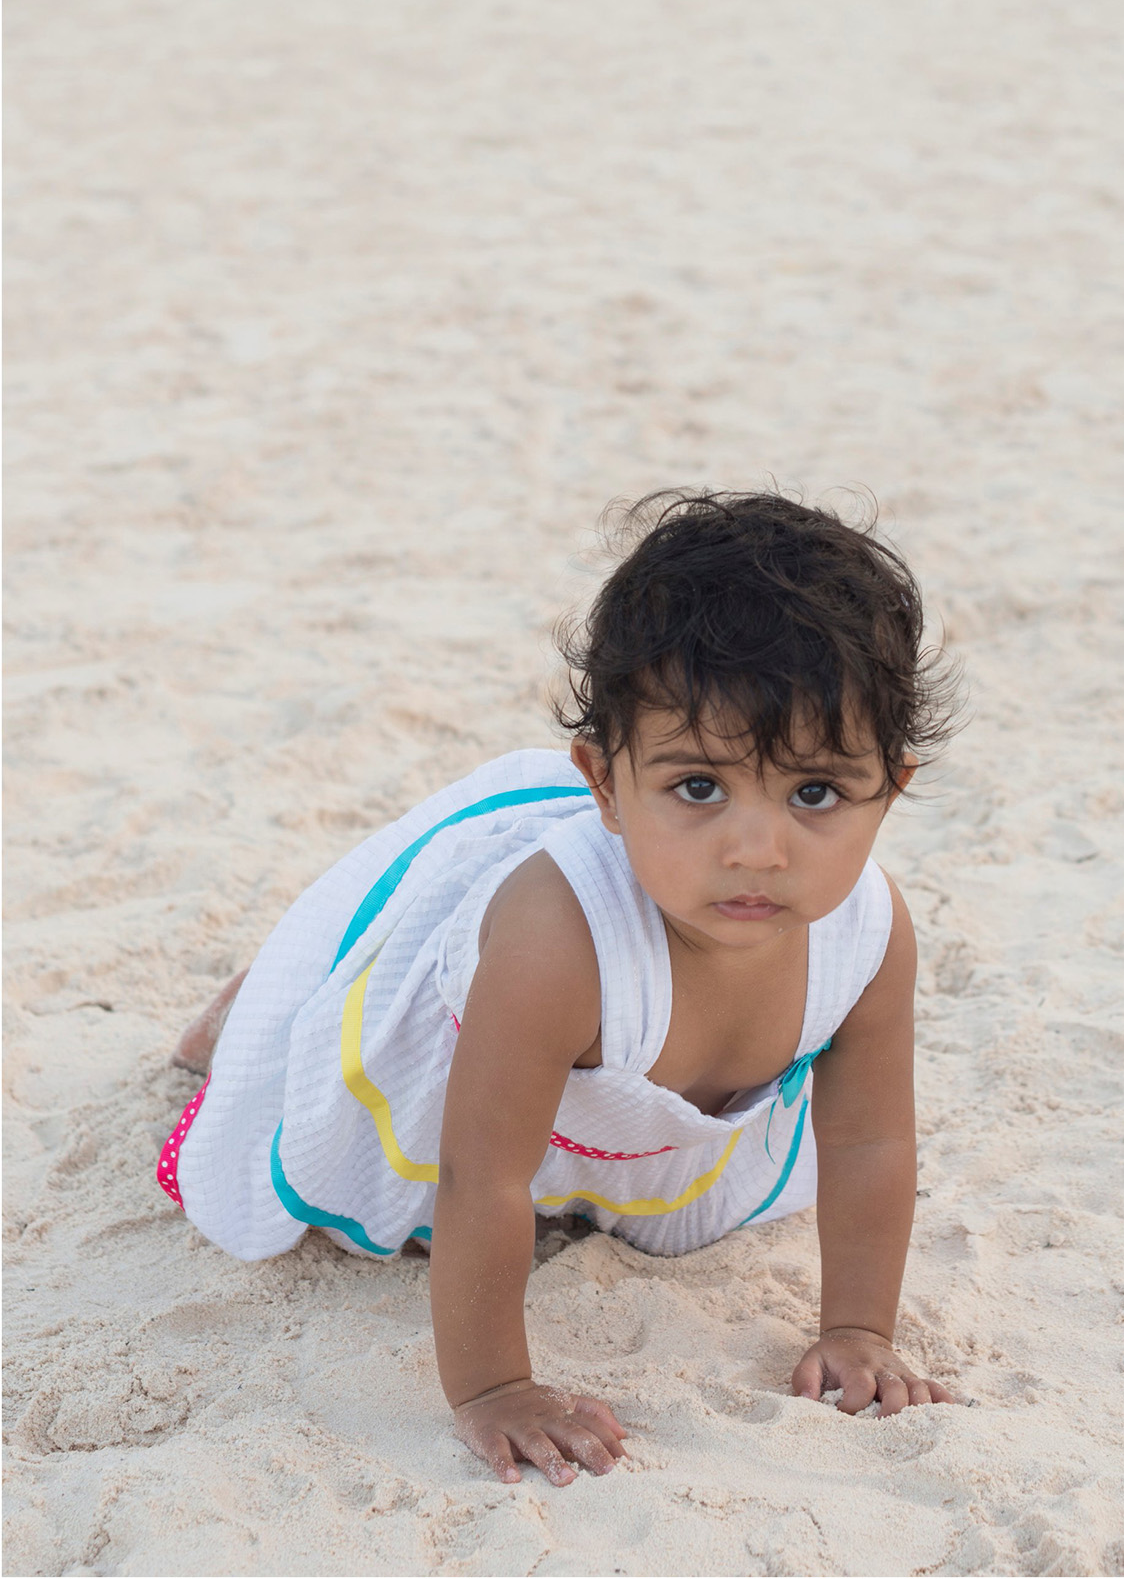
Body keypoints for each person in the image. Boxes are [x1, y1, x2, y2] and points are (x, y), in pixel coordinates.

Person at [159, 490, 961, 1488]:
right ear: (602, 780)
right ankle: (262, 992)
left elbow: (868, 1137)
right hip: (475, 1061)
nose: (756, 848)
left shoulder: (869, 937)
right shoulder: (560, 940)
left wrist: (855, 1326)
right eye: (697, 786)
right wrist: (493, 1386)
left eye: (814, 792)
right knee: (296, 1056)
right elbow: (483, 1172)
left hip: (625, 1114)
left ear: (890, 783)